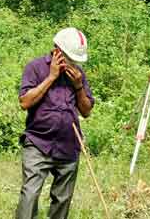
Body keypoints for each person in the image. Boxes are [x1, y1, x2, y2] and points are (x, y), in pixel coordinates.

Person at [15, 28, 95, 219]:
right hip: (38, 143)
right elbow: (25, 102)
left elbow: (86, 111)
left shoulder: (78, 75)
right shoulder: (35, 67)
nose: (74, 63)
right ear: (57, 51)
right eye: (70, 58)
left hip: (68, 146)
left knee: (63, 199)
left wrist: (78, 87)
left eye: (76, 60)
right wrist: (51, 77)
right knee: (30, 194)